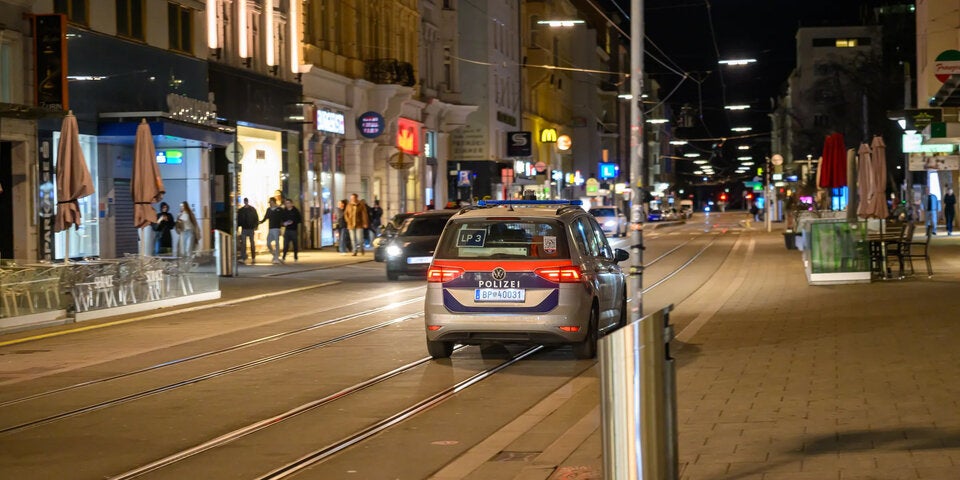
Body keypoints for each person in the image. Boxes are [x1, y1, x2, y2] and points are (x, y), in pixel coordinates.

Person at [260, 197, 283, 264]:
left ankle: (276, 258)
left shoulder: (279, 209)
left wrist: (283, 225)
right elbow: (265, 217)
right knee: (268, 243)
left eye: (270, 202)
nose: (269, 203)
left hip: (277, 228)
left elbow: (282, 217)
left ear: (273, 202)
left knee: (277, 243)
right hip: (270, 228)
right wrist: (260, 222)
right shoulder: (269, 210)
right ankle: (274, 254)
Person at [237, 197, 259, 264]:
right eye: (245, 201)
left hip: (249, 228)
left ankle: (252, 257)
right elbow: (239, 220)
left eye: (246, 201)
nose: (246, 202)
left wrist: (256, 226)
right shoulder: (244, 210)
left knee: (250, 243)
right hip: (246, 228)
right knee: (244, 243)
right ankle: (245, 257)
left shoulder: (248, 210)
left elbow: (256, 218)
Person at [281, 198, 302, 262]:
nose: (287, 204)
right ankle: (283, 257)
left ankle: (295, 257)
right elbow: (282, 219)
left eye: (288, 203)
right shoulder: (284, 211)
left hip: (293, 230)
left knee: (295, 244)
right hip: (287, 230)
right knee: (285, 244)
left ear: (291, 204)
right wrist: (283, 223)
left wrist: (293, 222)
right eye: (286, 203)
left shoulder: (295, 211)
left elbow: (299, 219)